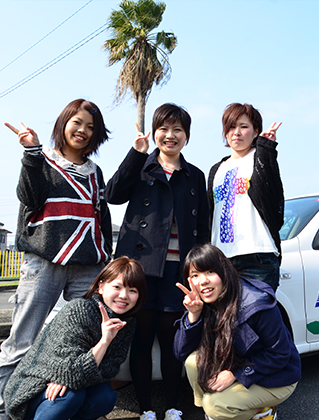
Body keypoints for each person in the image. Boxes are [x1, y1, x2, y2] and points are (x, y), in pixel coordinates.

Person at [0, 99, 113, 420]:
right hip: (43, 261)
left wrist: (106, 257)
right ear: (63, 123)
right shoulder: (41, 160)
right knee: (22, 341)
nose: (82, 130)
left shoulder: (95, 172)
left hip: (88, 265)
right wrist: (30, 152)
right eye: (77, 122)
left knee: (84, 337)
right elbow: (28, 197)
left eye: (90, 127)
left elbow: (102, 218)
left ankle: (59, 405)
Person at [105, 103, 210, 420]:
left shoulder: (194, 176)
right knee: (142, 338)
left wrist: (200, 271)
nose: (170, 135)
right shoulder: (142, 167)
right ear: (155, 132)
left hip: (177, 272)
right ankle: (147, 408)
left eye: (178, 129)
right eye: (164, 129)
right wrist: (136, 153)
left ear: (186, 136)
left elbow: (202, 227)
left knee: (171, 340)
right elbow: (112, 193)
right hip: (141, 270)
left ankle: (174, 405)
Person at [3, 256, 147, 420]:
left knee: (105, 397)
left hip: (72, 384)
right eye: (117, 287)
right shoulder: (79, 310)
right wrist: (104, 341)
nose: (124, 295)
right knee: (69, 396)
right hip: (37, 387)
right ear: (101, 286)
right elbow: (69, 369)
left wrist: (71, 377)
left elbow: (110, 369)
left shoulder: (126, 323)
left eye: (132, 291)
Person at [174, 244, 301, 420]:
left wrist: (236, 374)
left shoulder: (256, 304)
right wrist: (193, 314)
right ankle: (218, 413)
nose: (203, 281)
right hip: (236, 363)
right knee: (192, 363)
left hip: (275, 376)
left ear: (224, 271)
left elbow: (279, 354)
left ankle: (261, 412)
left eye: (210, 272)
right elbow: (181, 353)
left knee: (216, 405)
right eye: (195, 275)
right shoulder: (201, 301)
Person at [207, 103, 284, 292]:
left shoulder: (259, 157)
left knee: (258, 317)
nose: (237, 132)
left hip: (257, 254)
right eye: (232, 127)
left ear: (255, 131)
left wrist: (266, 149)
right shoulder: (216, 169)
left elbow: (273, 194)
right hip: (222, 258)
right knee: (226, 319)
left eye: (244, 126)